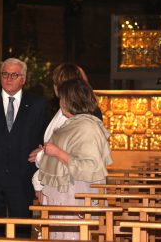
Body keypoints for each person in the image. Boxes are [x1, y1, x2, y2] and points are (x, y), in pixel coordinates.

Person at [0, 58, 48, 237]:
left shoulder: (37, 105)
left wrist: (41, 151)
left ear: (24, 79)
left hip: (22, 179)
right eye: (5, 74)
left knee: (21, 231)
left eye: (14, 75)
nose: (9, 78)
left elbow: (44, 138)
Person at [38, 78, 112, 239]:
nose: (60, 102)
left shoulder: (87, 127)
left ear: (71, 100)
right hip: (66, 195)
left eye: (62, 99)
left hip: (77, 195)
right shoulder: (73, 124)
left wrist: (57, 152)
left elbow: (90, 167)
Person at [29, 63, 102, 201]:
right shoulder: (64, 112)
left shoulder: (83, 119)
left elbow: (76, 157)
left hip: (71, 188)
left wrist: (42, 155)